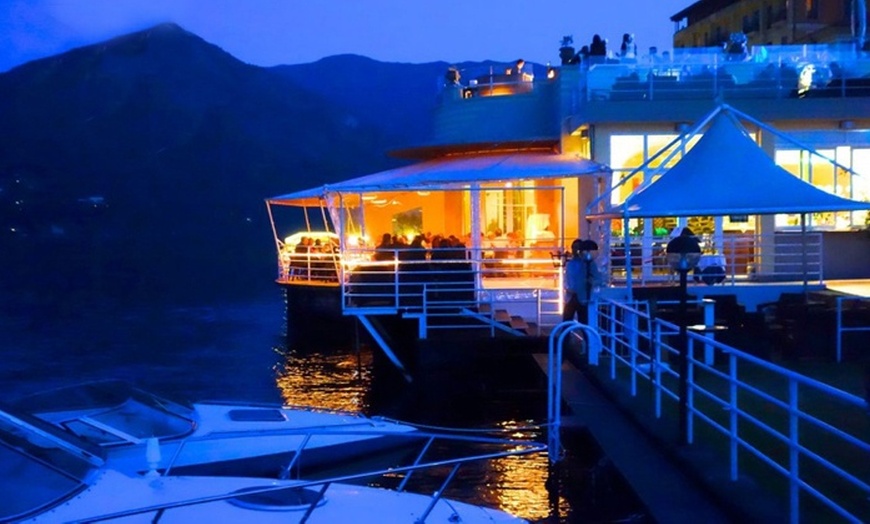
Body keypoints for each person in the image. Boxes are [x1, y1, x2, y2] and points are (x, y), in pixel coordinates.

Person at [563, 239, 603, 323]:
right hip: (571, 297)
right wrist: (567, 287)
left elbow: (598, 278)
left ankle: (587, 336)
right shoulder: (570, 263)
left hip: (583, 297)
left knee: (584, 321)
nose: (575, 250)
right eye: (573, 248)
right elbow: (567, 278)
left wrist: (591, 282)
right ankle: (566, 336)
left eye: (577, 248)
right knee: (566, 321)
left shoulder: (588, 263)